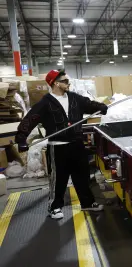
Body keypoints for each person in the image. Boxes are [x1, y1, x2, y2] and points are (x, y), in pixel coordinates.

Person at [15, 69, 109, 219]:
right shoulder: (45, 103)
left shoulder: (74, 98)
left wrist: (101, 107)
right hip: (58, 146)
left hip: (77, 144)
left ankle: (87, 203)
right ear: (55, 83)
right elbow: (29, 120)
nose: (68, 83)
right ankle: (54, 206)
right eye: (65, 81)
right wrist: (21, 139)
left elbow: (89, 104)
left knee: (82, 176)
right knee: (58, 179)